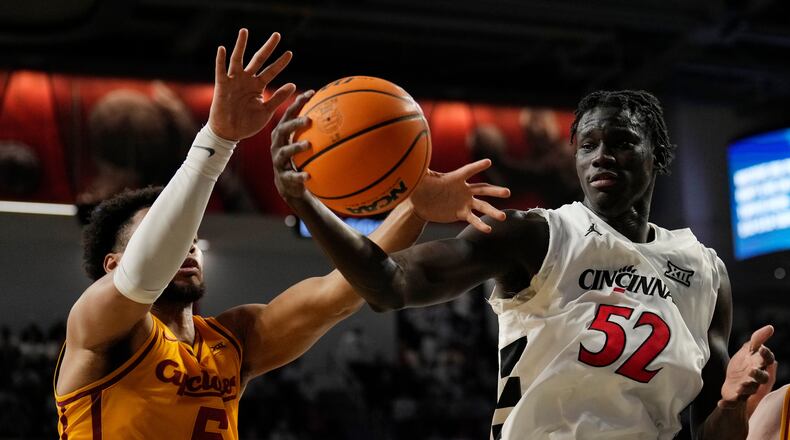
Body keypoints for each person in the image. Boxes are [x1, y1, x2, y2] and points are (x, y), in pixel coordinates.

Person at [53, 28, 510, 438]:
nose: (188, 246)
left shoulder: (234, 340)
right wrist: (218, 139)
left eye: (192, 239)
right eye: (165, 235)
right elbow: (143, 275)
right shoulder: (96, 328)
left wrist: (414, 207)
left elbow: (343, 292)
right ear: (111, 264)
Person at [272, 89, 776, 439]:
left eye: (621, 141)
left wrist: (732, 405)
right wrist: (308, 205)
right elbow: (390, 285)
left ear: (658, 154)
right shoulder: (536, 234)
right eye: (587, 145)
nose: (601, 156)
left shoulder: (705, 272)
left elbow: (712, 435)